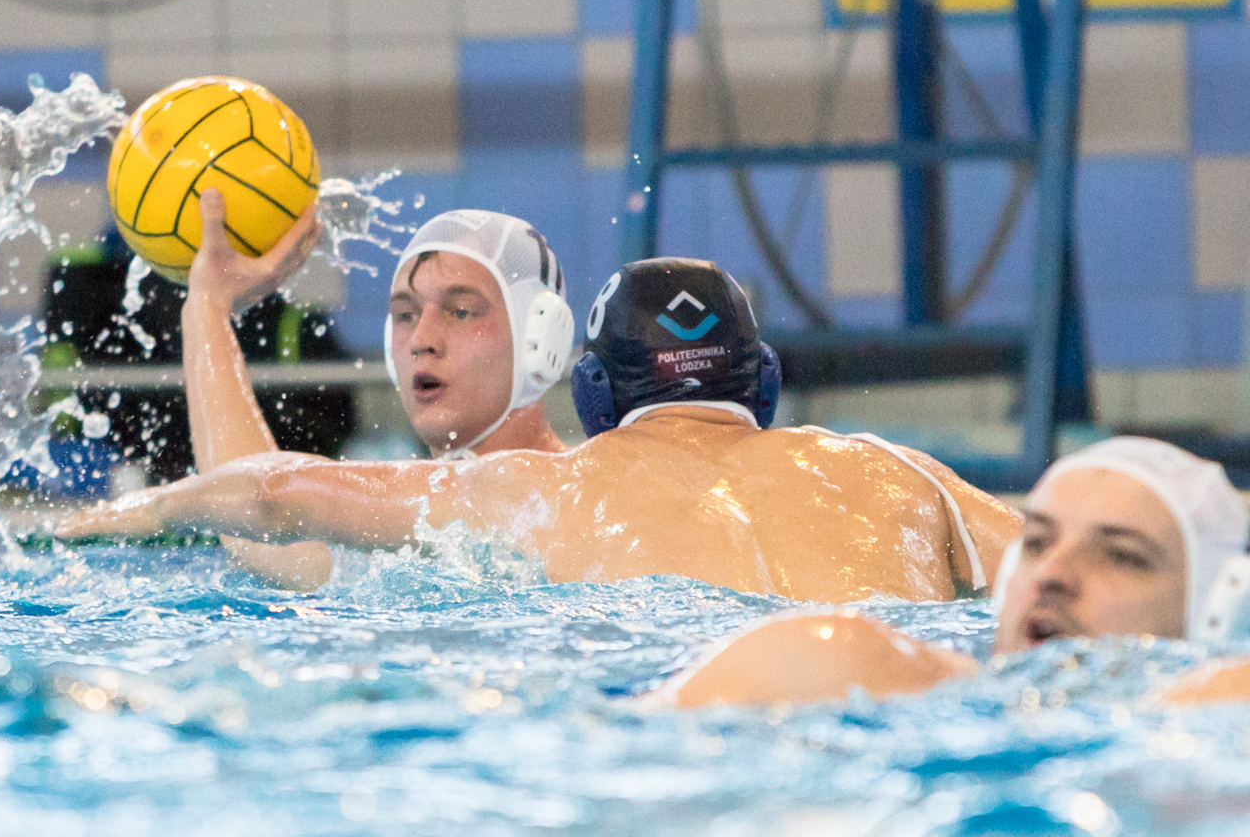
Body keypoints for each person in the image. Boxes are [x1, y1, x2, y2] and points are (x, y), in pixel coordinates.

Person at [61, 258, 1023, 603]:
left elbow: (276, 490)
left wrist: (127, 513)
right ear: (764, 383)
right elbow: (1060, 550)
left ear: (593, 392)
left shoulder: (539, 490)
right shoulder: (899, 471)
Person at [171, 191, 577, 588]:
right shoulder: (395, 538)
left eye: (460, 311)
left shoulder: (585, 505)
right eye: (405, 315)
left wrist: (133, 512)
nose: (421, 339)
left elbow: (270, 499)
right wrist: (207, 304)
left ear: (540, 336)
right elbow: (262, 528)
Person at [663, 436, 1250, 709]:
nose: (1052, 574)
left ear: (1216, 609)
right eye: (1036, 543)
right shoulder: (849, 666)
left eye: (1119, 556)